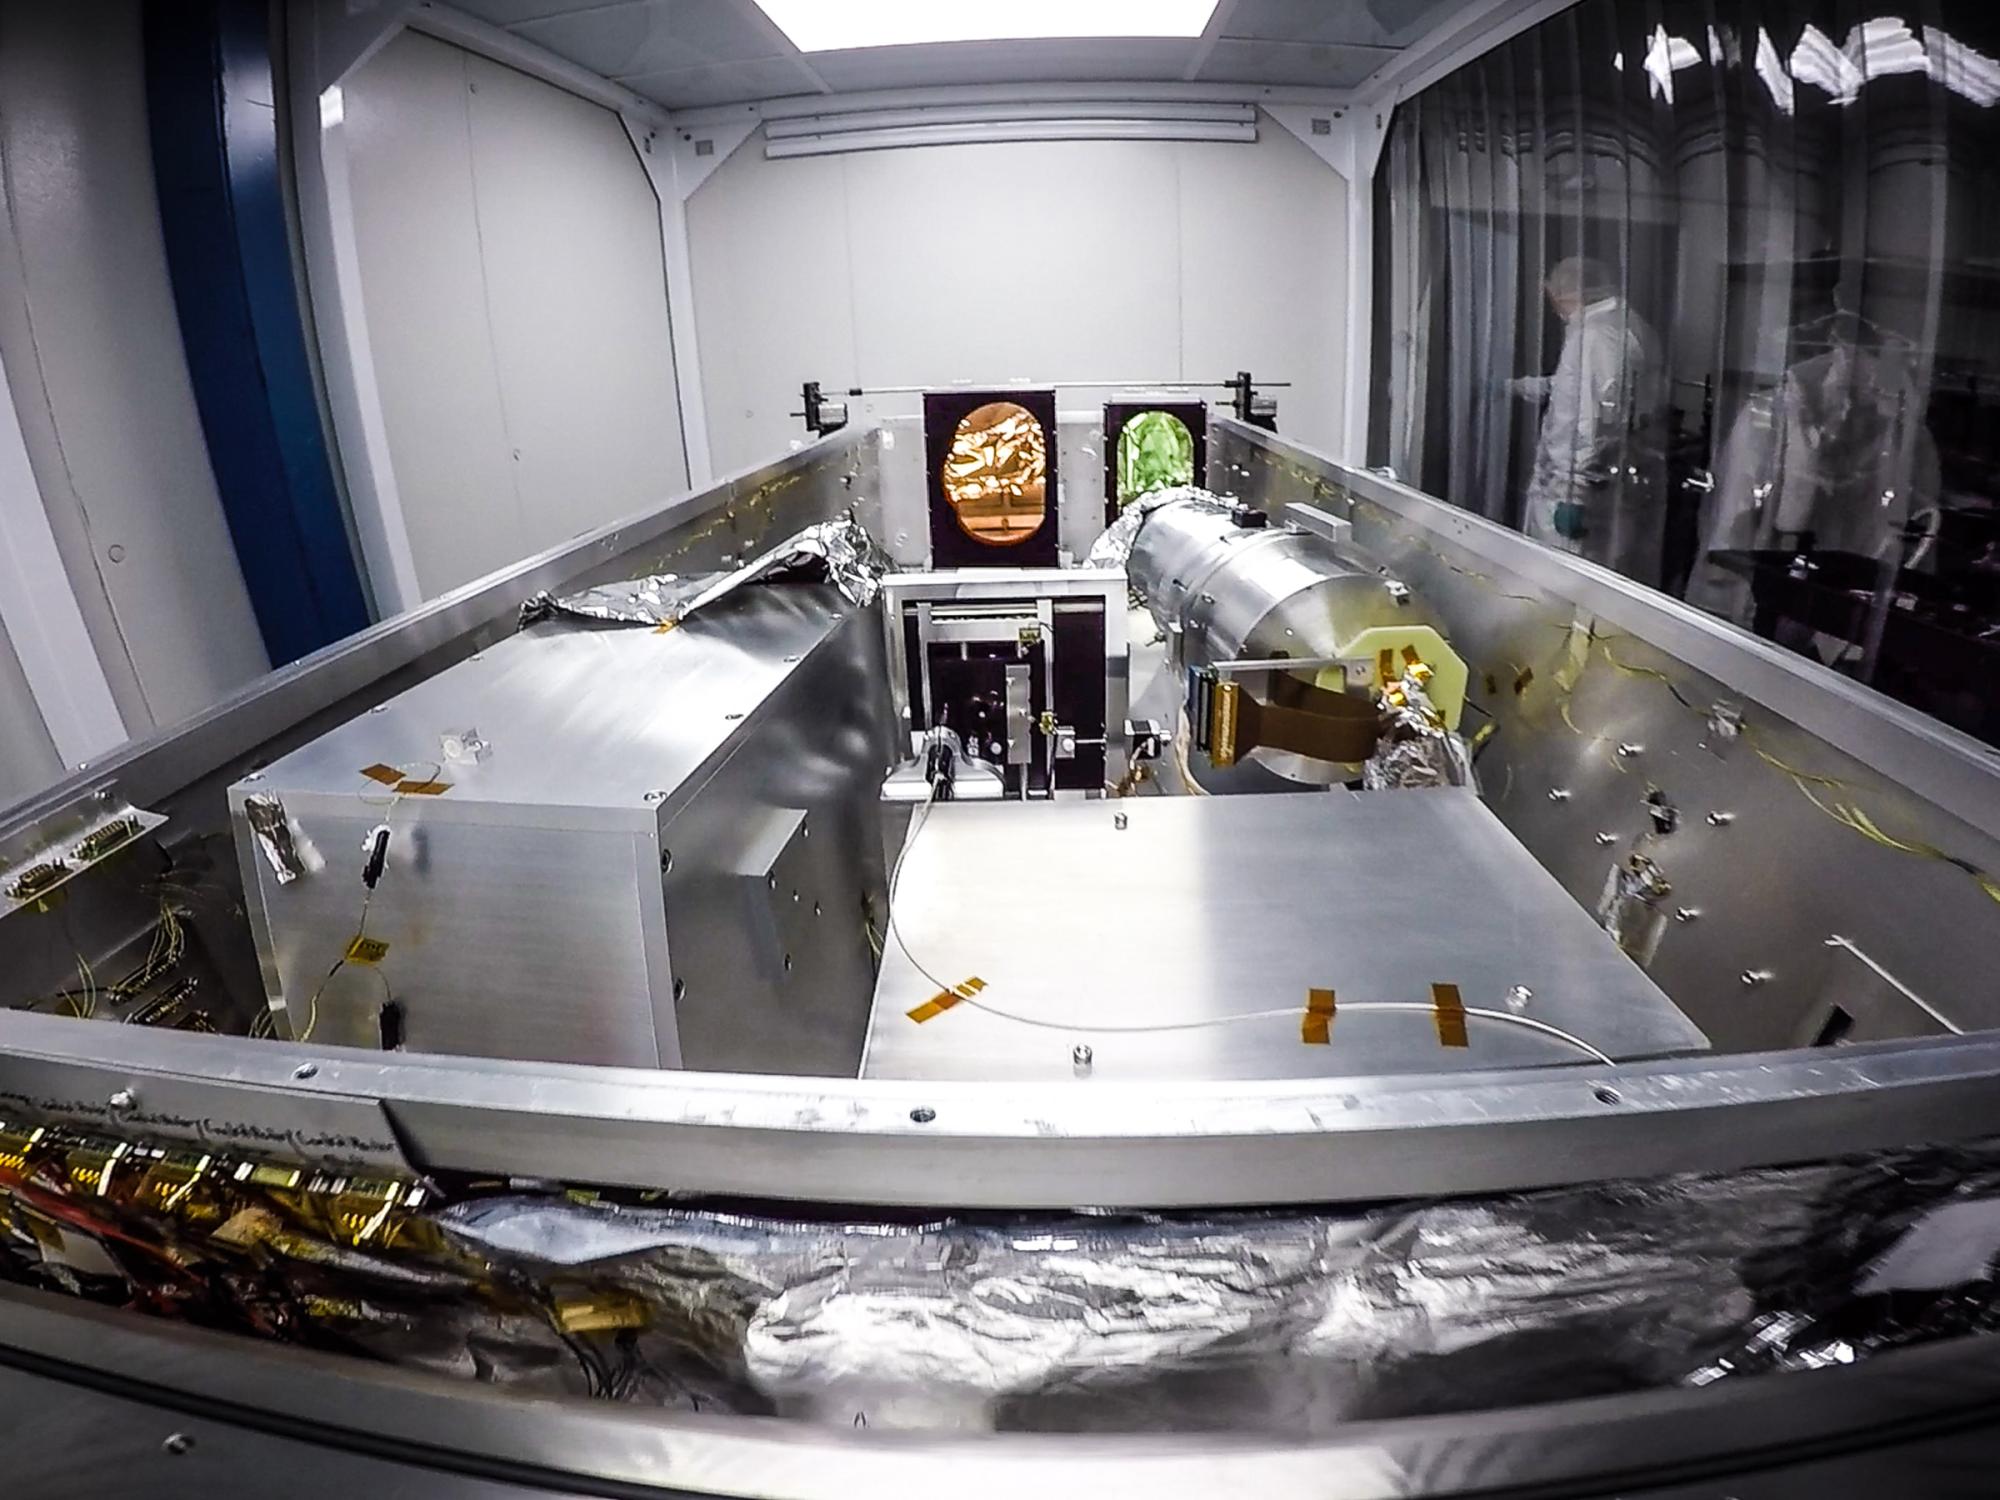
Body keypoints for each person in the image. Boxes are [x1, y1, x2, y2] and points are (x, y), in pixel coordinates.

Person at [1508, 258, 1664, 582]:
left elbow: (1597, 418)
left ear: (1565, 294)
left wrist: (1574, 494)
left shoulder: (1596, 335)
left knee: (1560, 584)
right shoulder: (1621, 325)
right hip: (1605, 482)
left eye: (1551, 292)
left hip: (1577, 491)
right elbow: (1575, 387)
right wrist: (1518, 387)